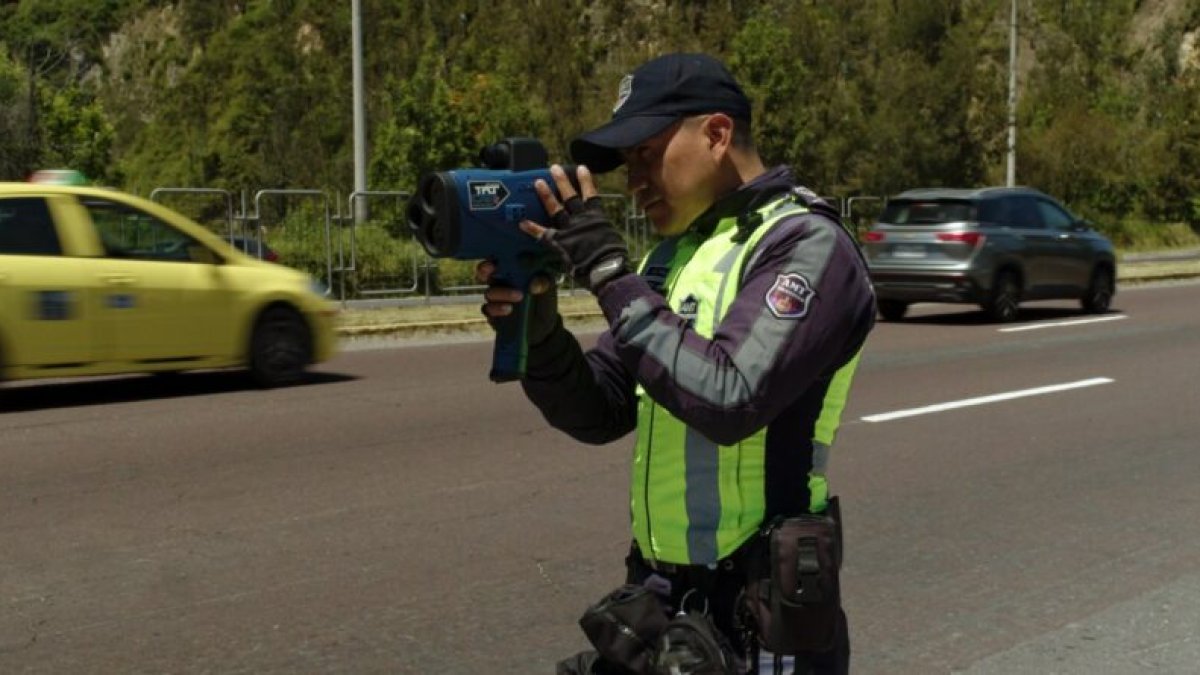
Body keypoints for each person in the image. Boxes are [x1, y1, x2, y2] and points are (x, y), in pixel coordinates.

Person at [478, 53, 875, 674]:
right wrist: (540, 327)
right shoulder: (672, 258)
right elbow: (600, 410)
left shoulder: (807, 244)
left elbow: (729, 397)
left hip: (761, 616)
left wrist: (608, 271)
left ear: (716, 135)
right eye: (625, 162)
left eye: (645, 152)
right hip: (661, 603)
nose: (632, 179)